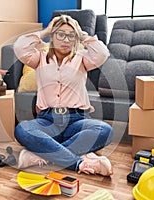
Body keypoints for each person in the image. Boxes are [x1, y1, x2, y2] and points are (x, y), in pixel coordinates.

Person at [13, 15, 113, 176]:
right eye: (60, 34)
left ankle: (40, 154)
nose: (66, 39)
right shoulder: (39, 58)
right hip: (47, 120)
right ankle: (79, 162)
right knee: (22, 130)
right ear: (53, 36)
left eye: (71, 35)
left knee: (105, 130)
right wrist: (45, 31)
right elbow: (20, 47)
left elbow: (102, 53)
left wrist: (82, 34)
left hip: (77, 120)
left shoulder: (82, 59)